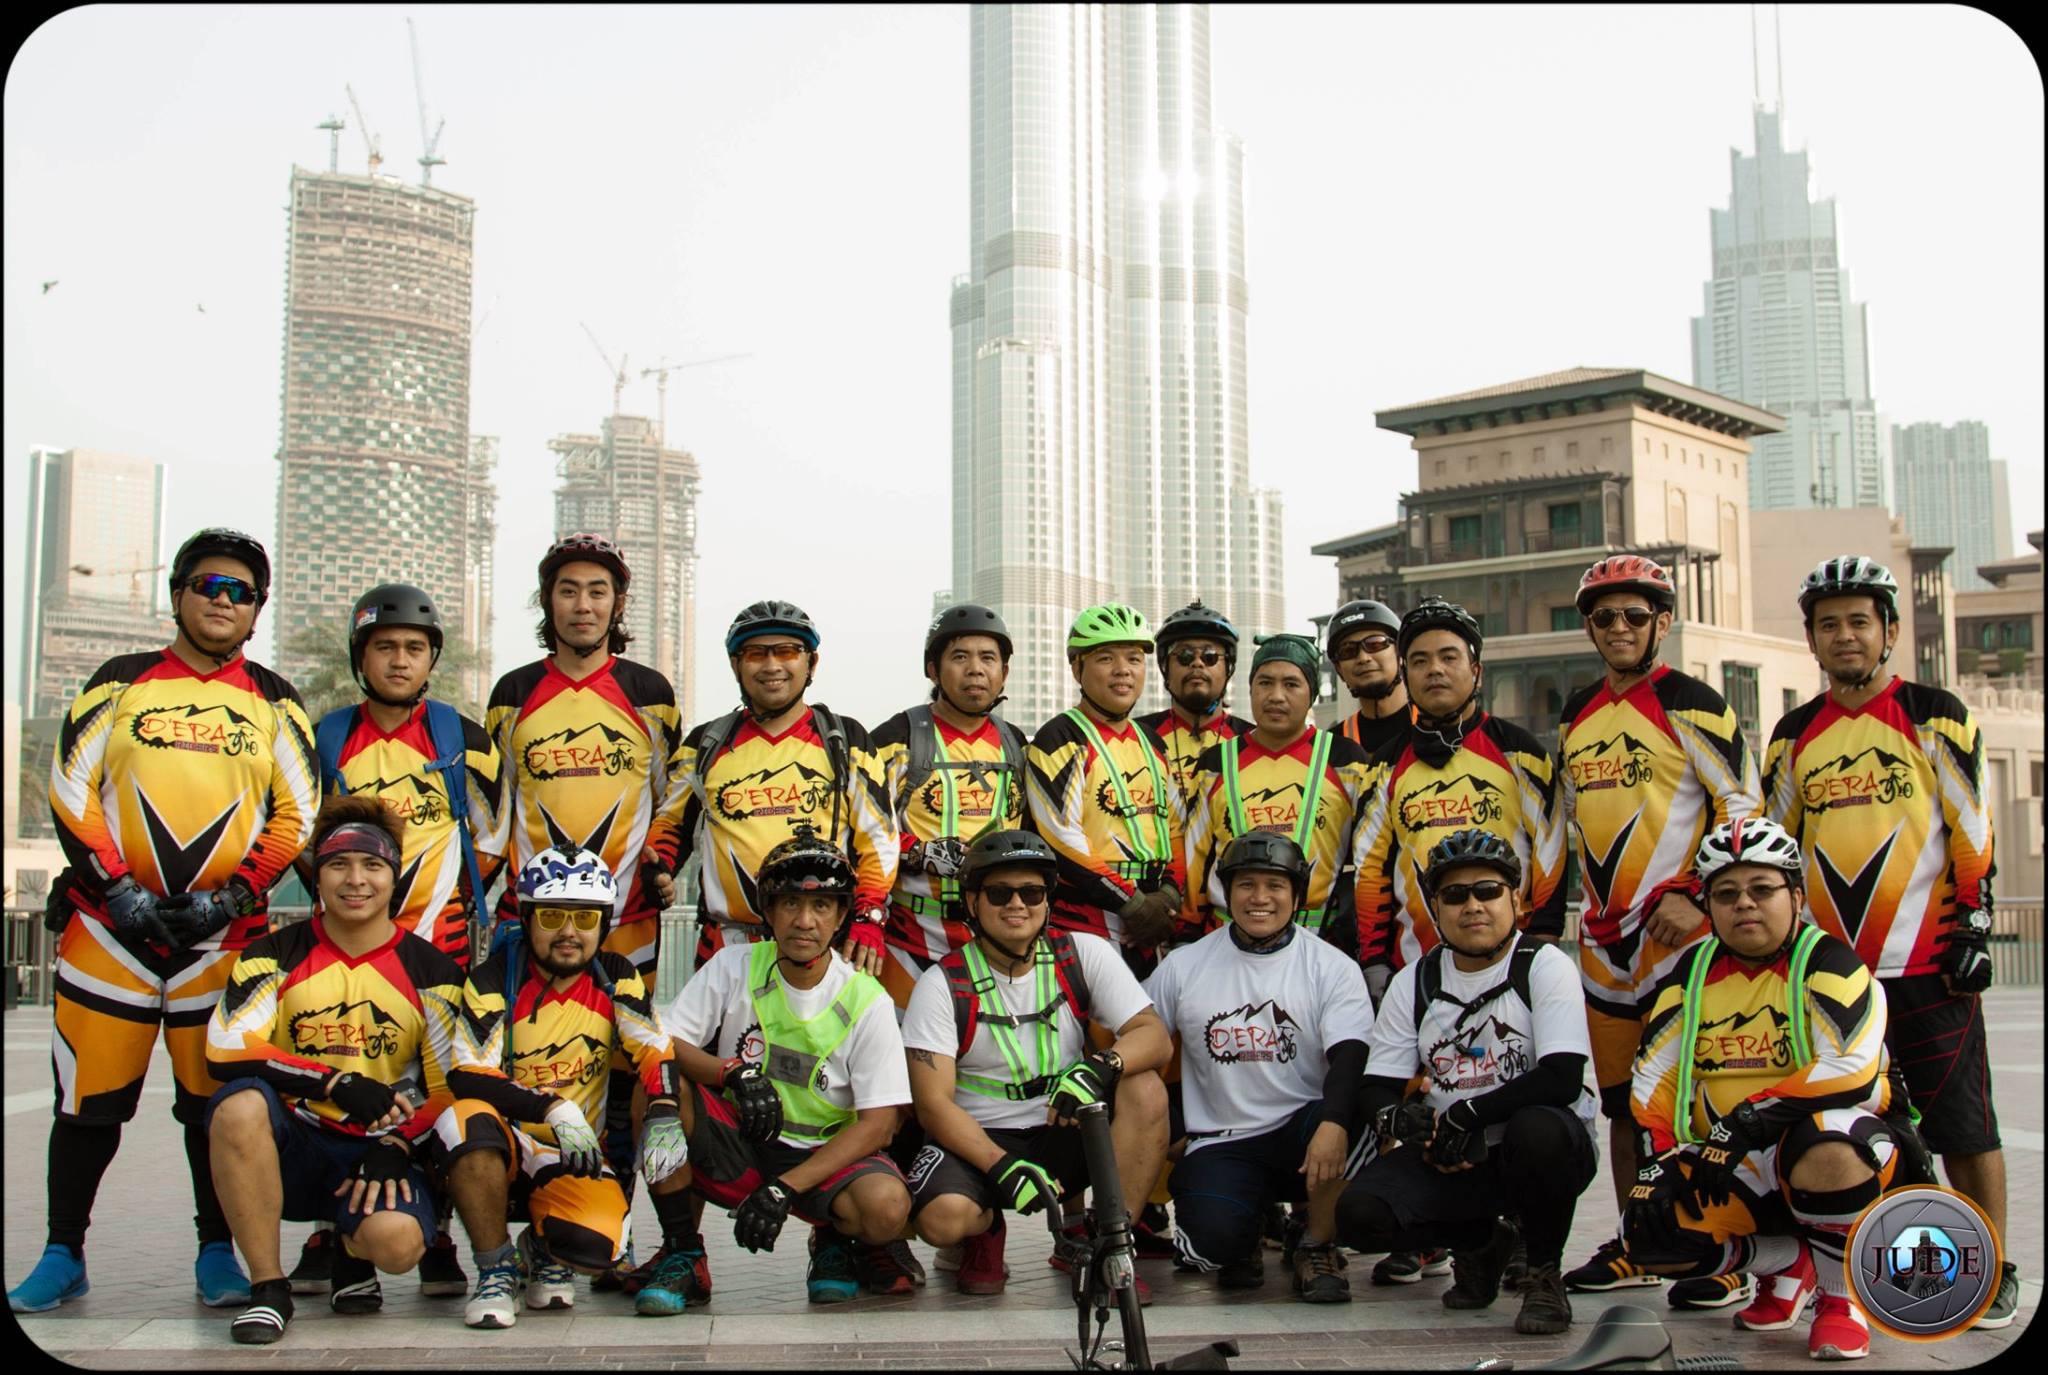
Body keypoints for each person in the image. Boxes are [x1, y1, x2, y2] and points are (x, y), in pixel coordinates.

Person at [10, 528, 315, 1315]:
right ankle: (62, 1251)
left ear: (257, 611)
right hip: (110, 934)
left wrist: (237, 896)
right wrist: (114, 886)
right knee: (86, 1106)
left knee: (210, 1107)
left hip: (219, 941)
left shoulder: (278, 701)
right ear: (177, 592)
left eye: (240, 591)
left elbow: (299, 812)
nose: (222, 599)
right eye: (208, 584)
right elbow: (71, 785)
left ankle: (217, 1250)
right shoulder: (118, 682)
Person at [1761, 554, 2017, 1327]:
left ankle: (1993, 1266)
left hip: (1926, 963)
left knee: (1964, 1127)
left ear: (1890, 632)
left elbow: (1972, 827)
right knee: (1830, 1126)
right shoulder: (1793, 734)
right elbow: (1778, 846)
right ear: (1810, 639)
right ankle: (1819, 1269)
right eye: (1829, 623)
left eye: (1859, 621)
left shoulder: (1936, 713)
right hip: (1831, 980)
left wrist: (1975, 923)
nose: (1845, 635)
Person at [1554, 556, 1763, 1312]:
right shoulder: (1576, 714)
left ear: (1661, 623)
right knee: (1623, 1107)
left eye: (1633, 616)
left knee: (1699, 1100)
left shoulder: (1695, 702)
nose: (1617, 628)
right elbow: (1571, 826)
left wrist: (1699, 899)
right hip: (1605, 944)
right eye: (1603, 617)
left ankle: (1733, 1249)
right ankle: (1641, 1239)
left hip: (1679, 938)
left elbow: (1743, 806)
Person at [1619, 817, 1909, 1361]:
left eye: (1762, 889)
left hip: (1851, 1146)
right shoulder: (1687, 976)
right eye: (1725, 894)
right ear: (1708, 908)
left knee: (1828, 1149)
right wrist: (1656, 1162)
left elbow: (1849, 1070)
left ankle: (1842, 1300)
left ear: (1796, 896)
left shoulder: (1833, 964)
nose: (1744, 904)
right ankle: (1787, 1262)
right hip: (1734, 1156)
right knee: (1648, 1234)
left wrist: (1747, 1120)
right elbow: (1653, 1080)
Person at [293, 581, 510, 1299]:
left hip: (436, 951)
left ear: (432, 658)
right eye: (384, 646)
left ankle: (439, 1231)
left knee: (437, 1090)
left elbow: (495, 833)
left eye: (414, 648)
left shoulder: (460, 737)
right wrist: (352, 908)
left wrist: (448, 904)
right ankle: (339, 1230)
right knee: (346, 1072)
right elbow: (300, 834)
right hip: (347, 946)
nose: (399, 659)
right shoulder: (326, 736)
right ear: (361, 655)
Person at [485, 533, 684, 1287]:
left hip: (626, 923)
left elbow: (671, 798)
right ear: (548, 600)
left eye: (598, 591)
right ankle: (522, 1228)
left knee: (625, 1084)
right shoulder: (511, 692)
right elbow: (495, 808)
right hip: (527, 925)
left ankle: (613, 1234)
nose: (583, 604)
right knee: (518, 1070)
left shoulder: (649, 691)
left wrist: (663, 862)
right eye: (568, 590)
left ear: (619, 603)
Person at [202, 796, 464, 1343]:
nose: (356, 880)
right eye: (338, 864)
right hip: (295, 1144)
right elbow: (225, 1048)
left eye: (373, 865)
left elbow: (446, 1091)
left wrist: (399, 1145)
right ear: (316, 875)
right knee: (238, 1103)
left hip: (376, 1152)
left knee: (397, 1246)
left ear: (396, 876)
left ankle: (349, 1251)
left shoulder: (432, 970)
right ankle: (268, 1290)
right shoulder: (271, 953)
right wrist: (332, 1081)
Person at [1336, 828, 1598, 1336]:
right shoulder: (1414, 979)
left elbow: (1562, 1077)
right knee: (1360, 1216)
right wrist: (1402, 1120)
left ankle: (1544, 1272)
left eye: (1487, 890)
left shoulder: (1544, 965)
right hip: (1452, 1153)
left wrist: (1466, 1115)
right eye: (1455, 895)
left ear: (1515, 899)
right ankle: (1479, 1243)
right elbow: (1377, 1086)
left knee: (1537, 1131)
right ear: (1435, 907)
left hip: (1539, 1147)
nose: (1472, 906)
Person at [641, 837, 916, 1311]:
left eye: (821, 906)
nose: (804, 921)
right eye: (790, 903)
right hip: (743, 1146)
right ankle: (683, 1251)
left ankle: (834, 1243)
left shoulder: (867, 997)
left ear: (841, 916)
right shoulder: (733, 965)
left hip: (824, 1159)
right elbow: (666, 1042)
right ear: (768, 910)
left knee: (886, 1208)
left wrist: (783, 1189)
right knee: (661, 1087)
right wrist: (728, 1072)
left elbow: (879, 1123)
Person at [900, 831, 1171, 1298]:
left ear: (1047, 900)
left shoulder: (1083, 953)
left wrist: (1101, 1066)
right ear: (972, 902)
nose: (1017, 905)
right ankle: (983, 1233)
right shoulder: (941, 984)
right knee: (943, 1220)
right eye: (999, 894)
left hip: (1064, 1122)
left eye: (1032, 893)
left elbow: (1153, 1035)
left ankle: (1111, 1240)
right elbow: (933, 1106)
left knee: (1144, 1087)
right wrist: (1001, 1164)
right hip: (982, 1137)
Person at [436, 847, 679, 1328]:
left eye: (584, 918)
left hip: (575, 1153)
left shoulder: (617, 976)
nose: (569, 932)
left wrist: (666, 1105)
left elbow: (653, 1048)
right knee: (462, 1120)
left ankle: (543, 1248)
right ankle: (496, 1267)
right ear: (527, 919)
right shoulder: (492, 979)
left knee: (600, 1247)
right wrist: (552, 1107)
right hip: (503, 1142)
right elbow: (467, 1072)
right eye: (552, 916)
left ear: (603, 923)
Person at [1145, 832, 1375, 1303]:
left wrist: (1333, 1122)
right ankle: (1244, 1233)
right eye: (1246, 885)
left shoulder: (1331, 966)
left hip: (1305, 1134)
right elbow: (1139, 1036)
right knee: (1213, 1246)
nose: (1260, 898)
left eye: (1275, 885)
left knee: (1357, 1107)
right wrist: (1166, 1128)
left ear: (1296, 893)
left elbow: (1351, 1056)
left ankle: (1317, 1241)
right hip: (1222, 1141)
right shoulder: (1185, 965)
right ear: (1227, 892)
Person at [667, 600, 898, 974]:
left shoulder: (846, 739)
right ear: (735, 664)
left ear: (811, 663)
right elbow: (669, 824)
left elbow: (880, 839)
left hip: (823, 942)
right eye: (756, 653)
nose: (772, 665)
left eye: (788, 651)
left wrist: (869, 916)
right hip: (727, 946)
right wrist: (659, 867)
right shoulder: (704, 743)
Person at [1353, 597, 1566, 998]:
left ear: (1476, 671)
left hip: (1511, 967)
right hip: (1414, 972)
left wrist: (1545, 940)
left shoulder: (1519, 752)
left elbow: (1551, 854)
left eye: (1449, 657)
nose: (1434, 669)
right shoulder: (1383, 766)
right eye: (1418, 661)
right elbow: (1369, 870)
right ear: (1405, 674)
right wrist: (1374, 961)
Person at [870, 603, 1032, 1007]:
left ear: (1004, 673)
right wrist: (921, 853)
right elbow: (864, 835)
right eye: (960, 657)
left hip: (999, 943)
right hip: (912, 943)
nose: (975, 669)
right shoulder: (897, 738)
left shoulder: (1016, 743)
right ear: (932, 669)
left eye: (988, 658)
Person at [1183, 633, 1376, 953]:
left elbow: (1371, 861)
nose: (1276, 696)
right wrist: (1184, 934)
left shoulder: (1345, 760)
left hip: (1318, 944)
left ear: (1311, 693)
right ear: (1250, 689)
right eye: (1265, 683)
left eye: (1291, 684)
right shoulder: (1215, 763)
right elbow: (1194, 860)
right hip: (1227, 942)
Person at [1027, 604, 1190, 979]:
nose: (1123, 670)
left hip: (1152, 920)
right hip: (1089, 919)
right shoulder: (1060, 738)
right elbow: (1061, 838)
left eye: (1134, 658)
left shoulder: (1152, 743)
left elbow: (1177, 829)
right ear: (1076, 668)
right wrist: (1131, 903)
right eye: (1105, 658)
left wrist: (1169, 895)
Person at [1137, 599, 1254, 818]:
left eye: (1210, 657)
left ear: (1228, 667)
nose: (1197, 663)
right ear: (1165, 667)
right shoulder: (1137, 737)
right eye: (1185, 656)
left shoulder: (1251, 740)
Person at [1324, 598, 1415, 757]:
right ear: (1339, 669)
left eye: (1375, 644)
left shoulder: (1438, 730)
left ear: (1400, 652)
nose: (1363, 658)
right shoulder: (1326, 749)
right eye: (1348, 650)